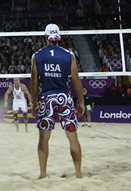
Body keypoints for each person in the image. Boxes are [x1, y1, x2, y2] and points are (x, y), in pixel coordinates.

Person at [30, 24, 85, 179]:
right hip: (64, 98)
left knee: (43, 139)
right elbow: (75, 79)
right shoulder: (69, 55)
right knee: (73, 137)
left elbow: (34, 82)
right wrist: (81, 101)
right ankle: (78, 174)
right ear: (58, 37)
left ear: (46, 36)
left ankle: (42, 174)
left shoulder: (37, 55)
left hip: (47, 98)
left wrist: (33, 103)